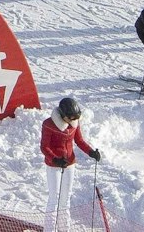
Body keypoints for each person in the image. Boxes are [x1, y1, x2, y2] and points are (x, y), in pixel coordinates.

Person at [39, 96, 99, 231]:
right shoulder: (48, 124)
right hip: (54, 166)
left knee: (65, 198)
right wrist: (55, 159)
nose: (72, 120)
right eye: (70, 117)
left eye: (75, 118)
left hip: (69, 164)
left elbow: (79, 141)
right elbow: (44, 147)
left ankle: (63, 228)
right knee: (54, 198)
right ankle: (49, 229)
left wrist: (91, 152)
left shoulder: (74, 123)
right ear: (62, 114)